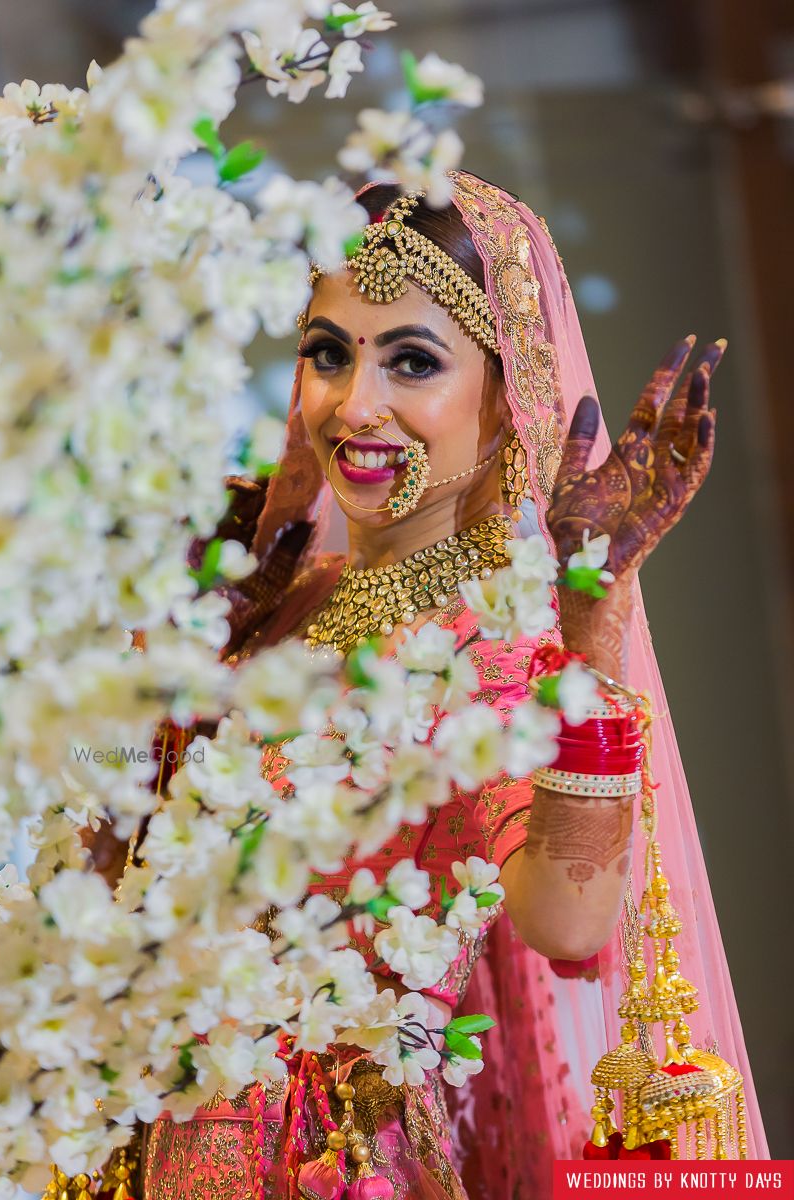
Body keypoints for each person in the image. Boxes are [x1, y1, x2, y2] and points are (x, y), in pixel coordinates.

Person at [117, 171, 767, 1198]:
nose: (351, 404)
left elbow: (566, 922)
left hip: (322, 1167)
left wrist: (592, 622)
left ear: (508, 398)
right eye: (327, 355)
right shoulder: (279, 604)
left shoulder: (496, 658)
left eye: (411, 362)